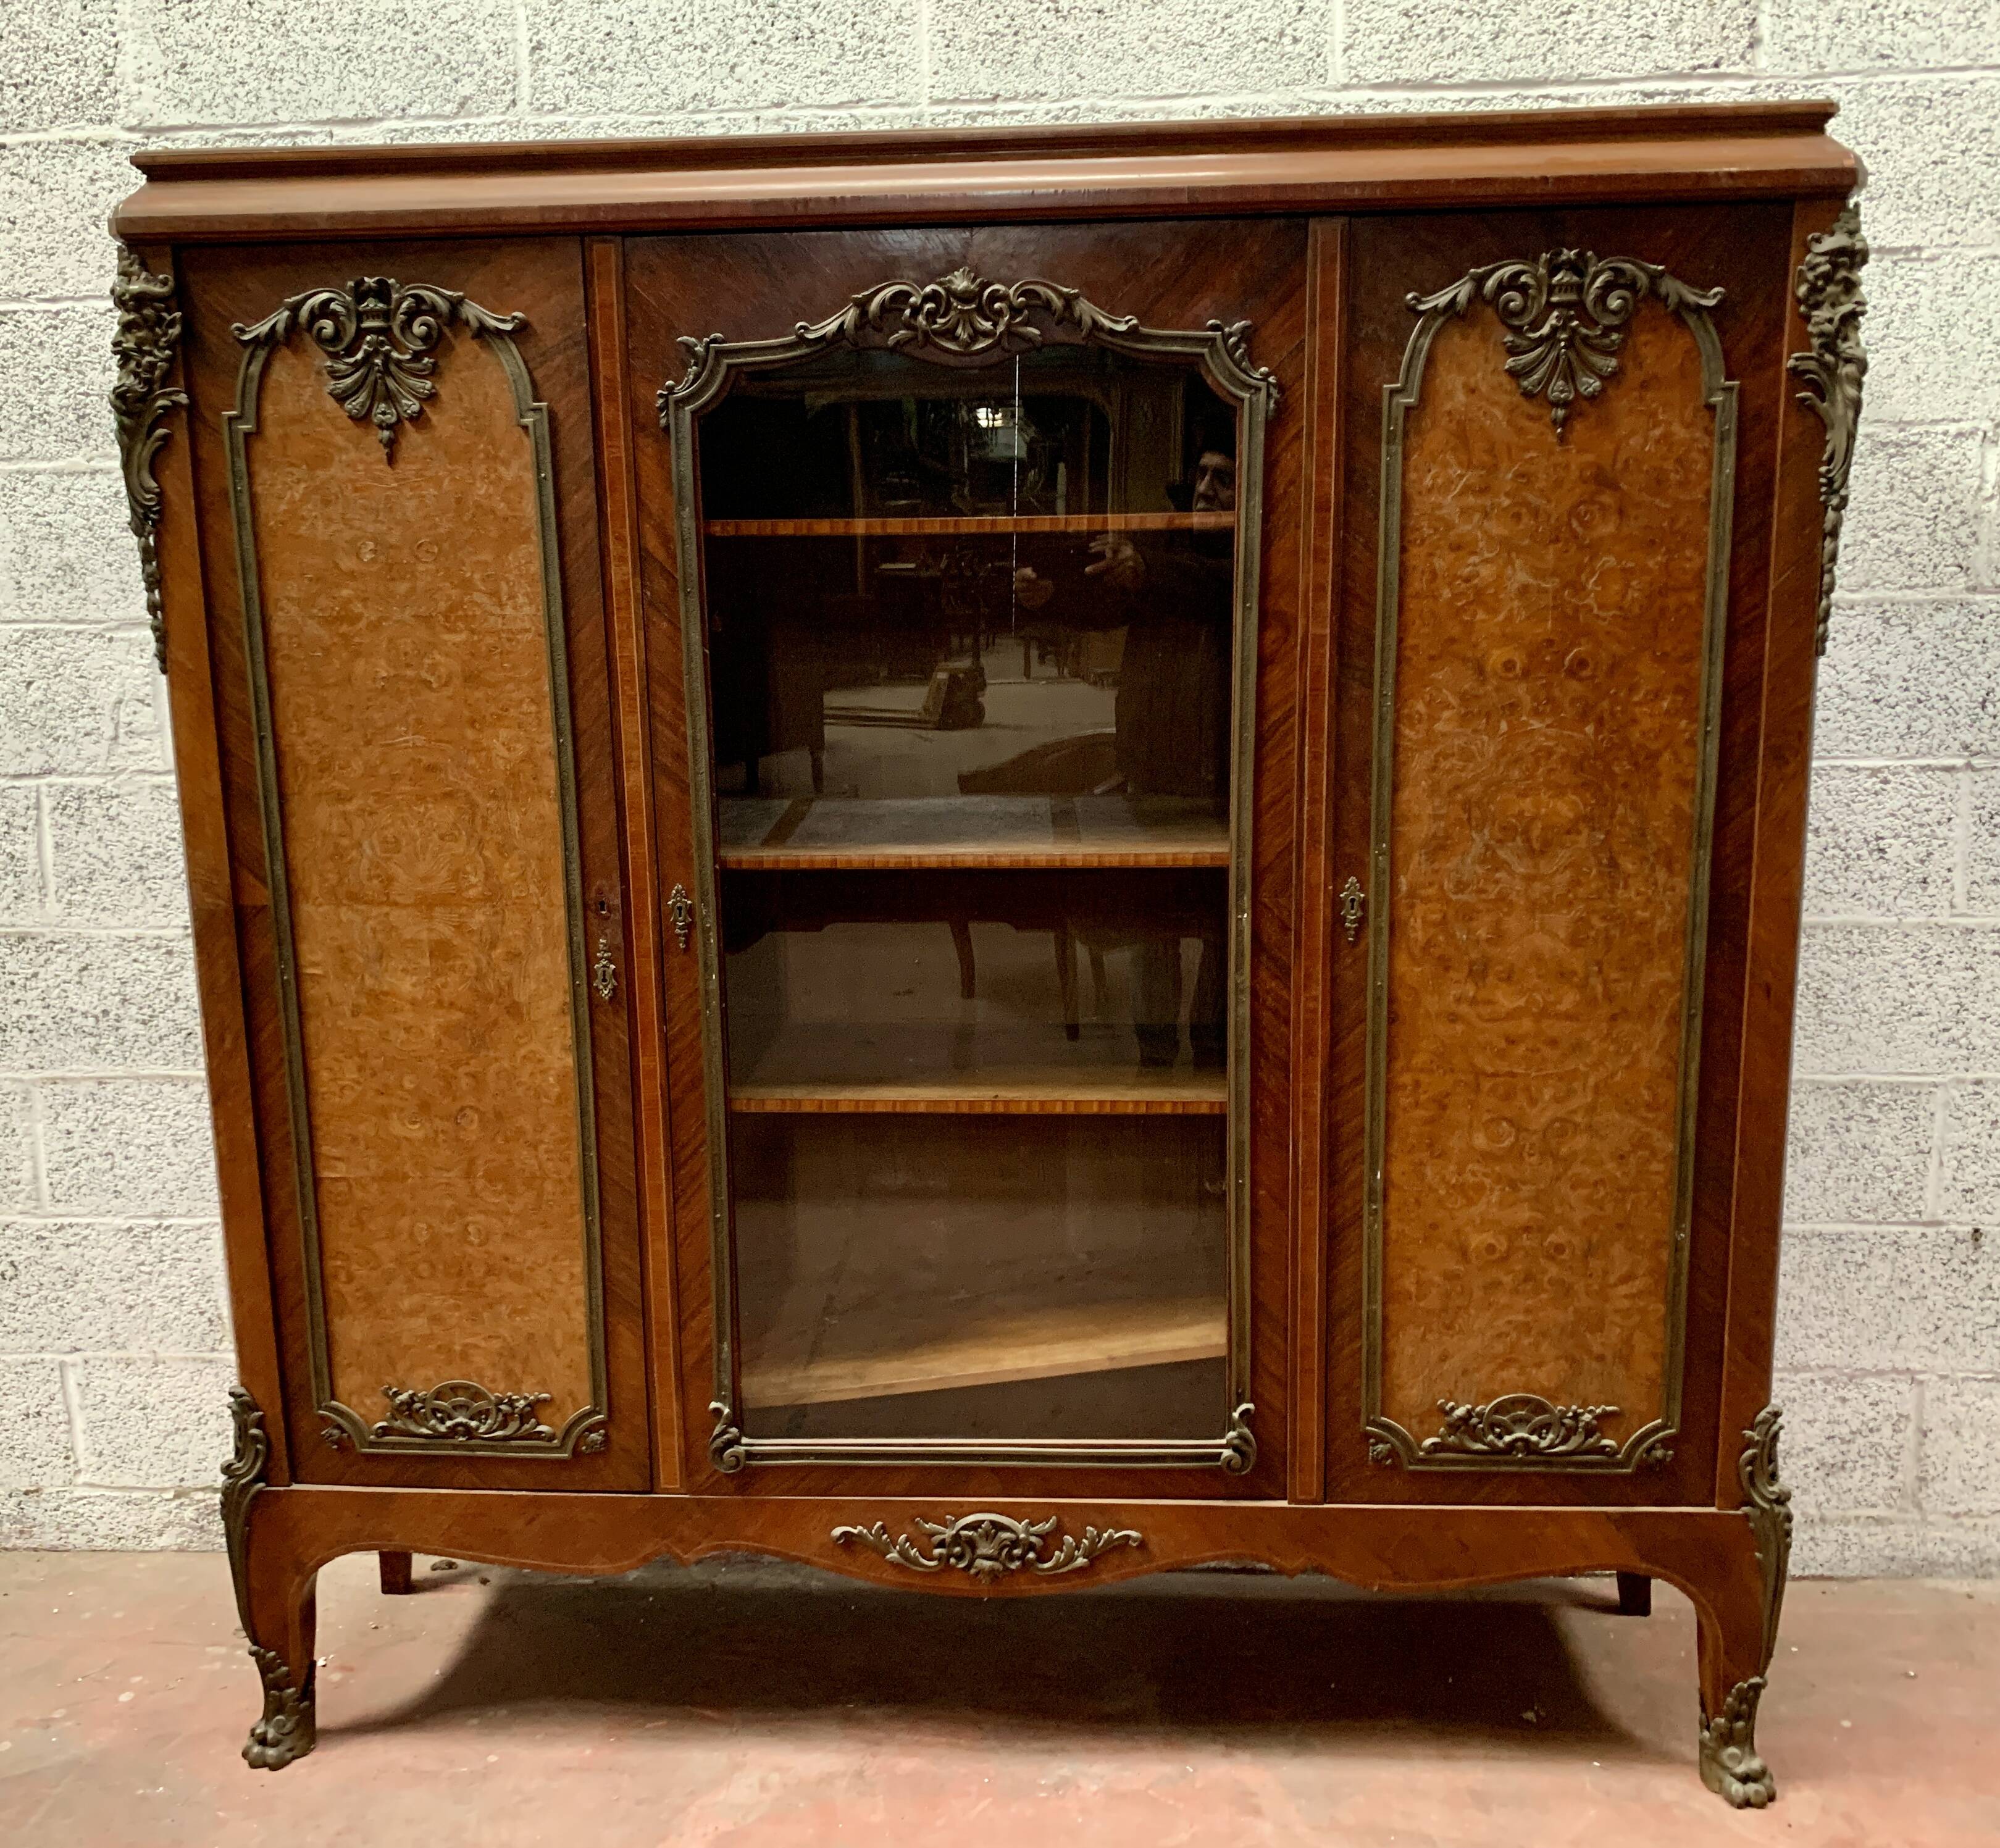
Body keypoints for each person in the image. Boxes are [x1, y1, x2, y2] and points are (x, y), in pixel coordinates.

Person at [1014, 432, 1236, 1068]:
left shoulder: (1257, 549)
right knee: (1152, 920)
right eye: (1200, 474)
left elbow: (1213, 585)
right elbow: (1110, 601)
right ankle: (1155, 1053)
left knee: (1224, 924)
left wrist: (1148, 572)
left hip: (1230, 767)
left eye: (1222, 479)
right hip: (1155, 760)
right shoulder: (1164, 543)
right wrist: (1052, 596)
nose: (1204, 490)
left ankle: (1214, 1052)